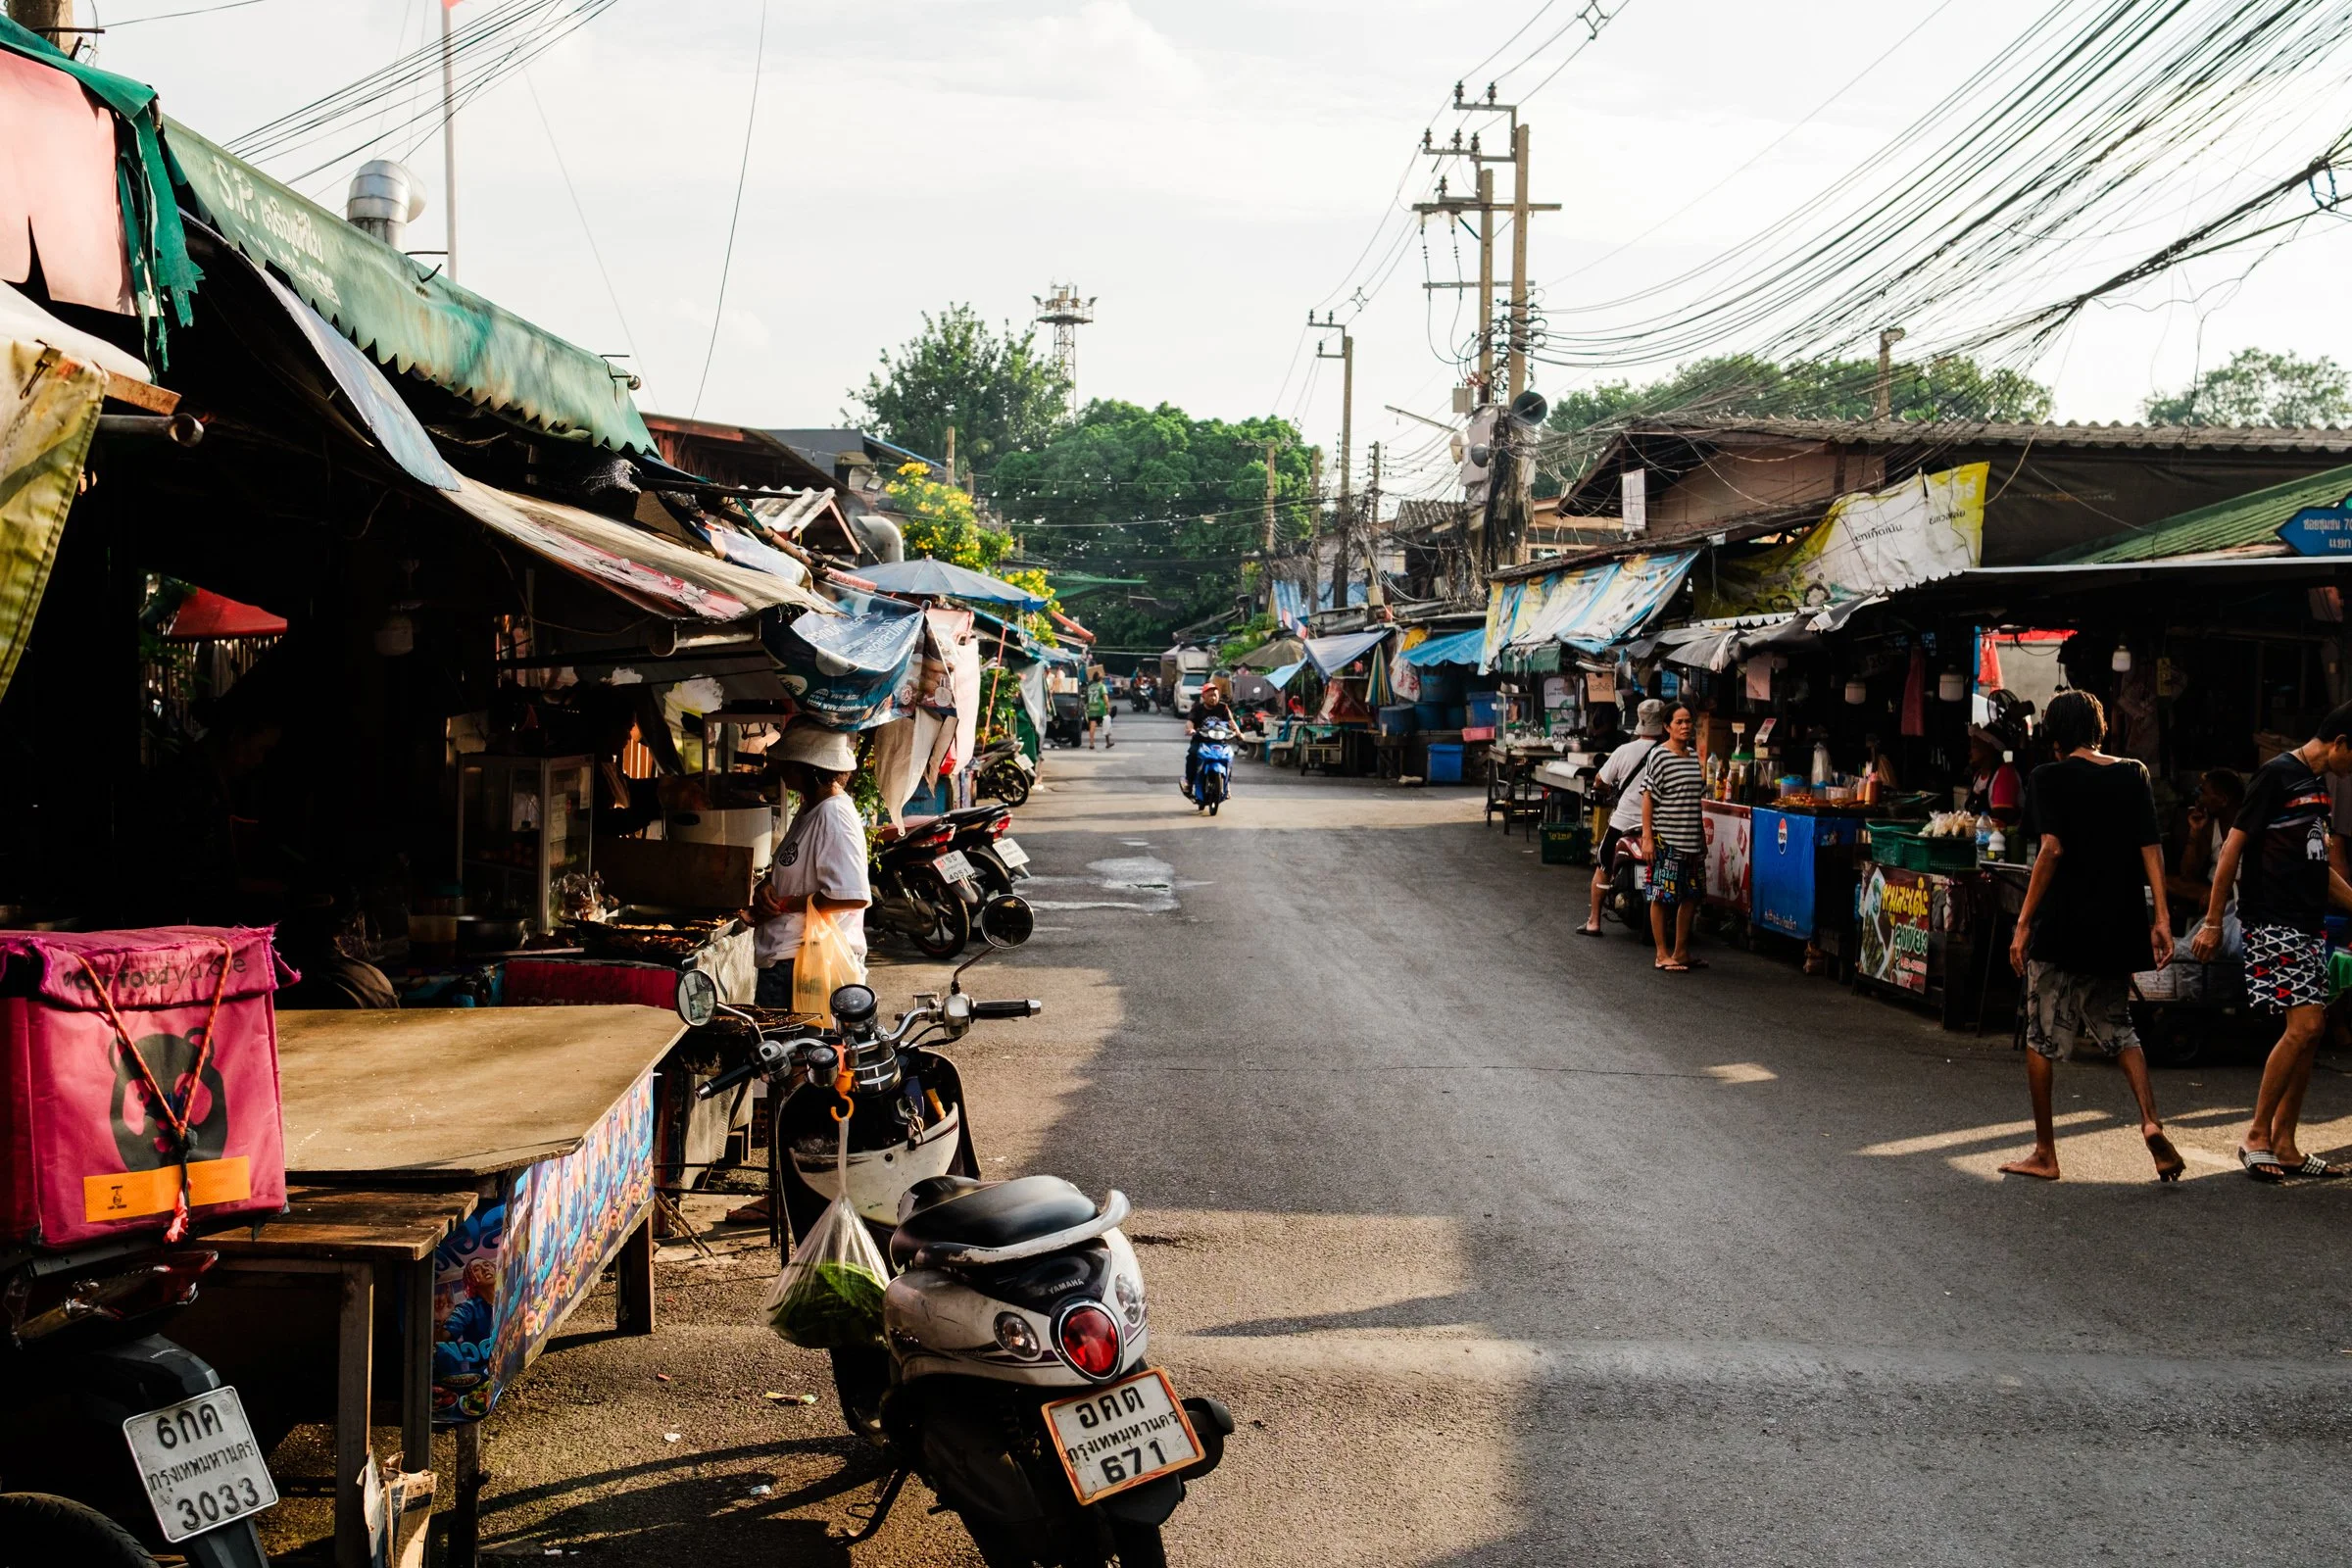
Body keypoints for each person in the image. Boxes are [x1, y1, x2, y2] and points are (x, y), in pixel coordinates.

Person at [1997, 690, 2181, 1183]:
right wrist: (2161, 917)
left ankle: (2044, 1153)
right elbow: (2151, 847)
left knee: (2040, 1034)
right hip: (2115, 922)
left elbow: (2051, 850)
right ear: (2099, 730)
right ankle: (2149, 1120)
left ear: (2055, 738)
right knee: (2119, 1026)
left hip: (2062, 924)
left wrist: (2023, 923)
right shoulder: (2132, 773)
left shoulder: (2047, 777)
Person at [2190, 704, 2352, 1181]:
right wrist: (2214, 921)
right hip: (2271, 922)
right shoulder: (2277, 775)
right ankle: (2257, 1135)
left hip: (2307, 924)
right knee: (2303, 1027)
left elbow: (2318, 870)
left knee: (2314, 1029)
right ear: (2341, 743)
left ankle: (2286, 1144)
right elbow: (2232, 851)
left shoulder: (2319, 790)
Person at [753, 721, 871, 1012]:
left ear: (810, 769)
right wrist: (768, 886)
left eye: (790, 766)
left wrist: (786, 903)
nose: (784, 773)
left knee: (799, 1054)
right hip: (788, 964)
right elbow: (794, 869)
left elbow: (851, 895)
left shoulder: (834, 815)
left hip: (806, 966)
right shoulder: (809, 810)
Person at [1579, 700, 1664, 938]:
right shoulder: (1671, 752)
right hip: (1660, 825)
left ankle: (1594, 921)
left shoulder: (1624, 751)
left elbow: (1600, 780)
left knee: (1603, 864)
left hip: (1625, 822)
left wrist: (1604, 789)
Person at [1639, 705, 1707, 972]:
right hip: (1667, 839)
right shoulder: (1659, 755)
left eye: (1688, 721)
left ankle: (1680, 952)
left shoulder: (1692, 756)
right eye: (1679, 722)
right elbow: (1648, 796)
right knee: (1662, 896)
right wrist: (1647, 836)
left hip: (1691, 841)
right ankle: (1661, 953)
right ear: (1667, 726)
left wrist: (1701, 835)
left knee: (1691, 896)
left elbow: (1695, 799)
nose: (1685, 726)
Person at [2166, 767, 2244, 953]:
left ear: (2223, 800)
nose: (2198, 798)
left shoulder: (2252, 827)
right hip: (2211, 889)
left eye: (2203, 792)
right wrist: (2195, 832)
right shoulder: (2211, 826)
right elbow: (2188, 873)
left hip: (2241, 892)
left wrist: (2225, 893)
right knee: (2164, 882)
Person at [1185, 681, 1236, 796]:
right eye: (1210, 695)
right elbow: (1190, 721)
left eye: (1215, 695)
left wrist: (1238, 733)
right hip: (1201, 740)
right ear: (1203, 696)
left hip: (1220, 741)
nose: (1213, 698)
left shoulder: (1223, 707)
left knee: (1228, 757)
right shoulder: (1197, 708)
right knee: (1192, 755)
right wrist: (1190, 729)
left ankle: (1227, 784)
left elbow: (1231, 722)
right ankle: (1189, 782)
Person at [1085, 666, 1113, 749]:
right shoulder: (1102, 686)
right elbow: (1105, 698)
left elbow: (1087, 698)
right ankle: (1108, 743)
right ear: (1100, 678)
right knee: (1106, 724)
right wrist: (1108, 707)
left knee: (1092, 726)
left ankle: (1091, 744)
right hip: (1101, 709)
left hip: (1092, 708)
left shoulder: (1090, 687)